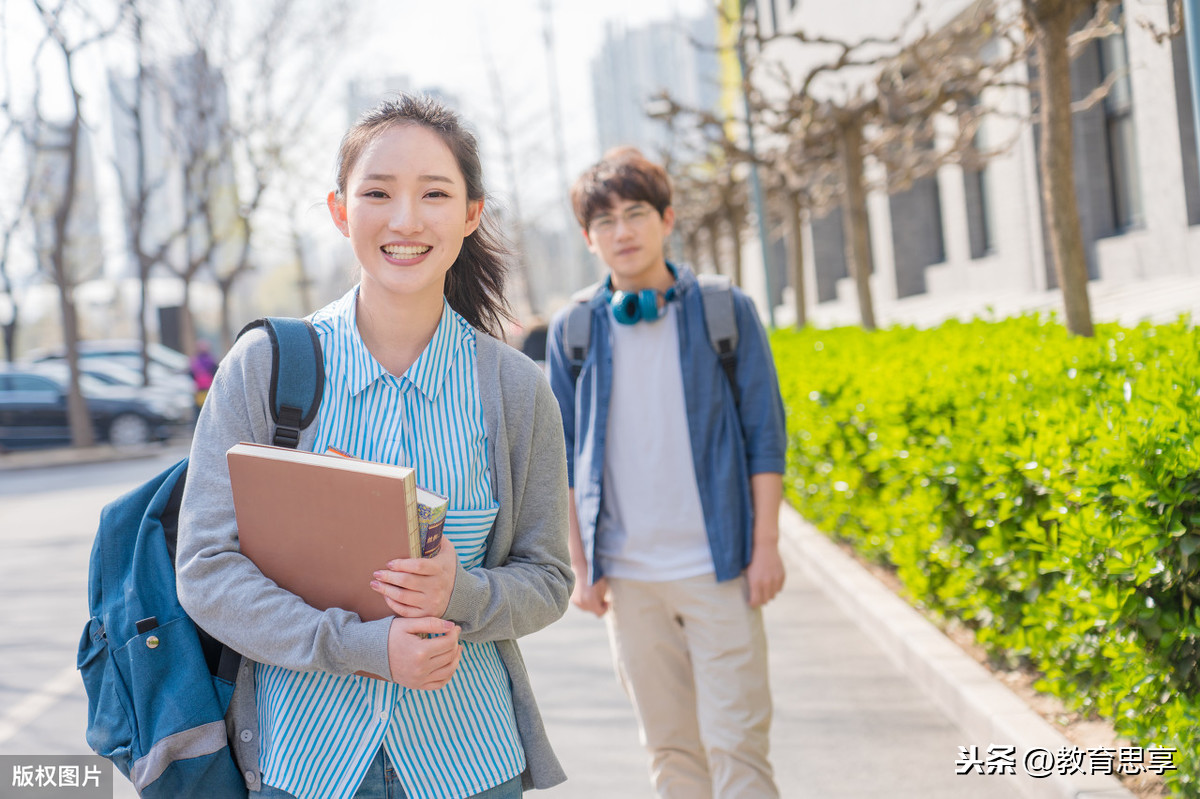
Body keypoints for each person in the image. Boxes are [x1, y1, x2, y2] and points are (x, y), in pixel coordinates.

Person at [176, 94, 573, 799]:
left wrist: (463, 592)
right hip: (306, 764)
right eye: (378, 193)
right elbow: (207, 567)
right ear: (340, 211)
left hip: (470, 763)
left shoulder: (515, 389)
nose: (406, 219)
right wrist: (360, 648)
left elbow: (547, 577)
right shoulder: (264, 368)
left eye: (435, 193)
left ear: (471, 214)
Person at [545, 147, 788, 798]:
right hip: (629, 580)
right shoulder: (574, 329)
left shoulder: (723, 311)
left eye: (635, 213)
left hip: (721, 568)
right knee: (672, 754)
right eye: (604, 221)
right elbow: (564, 455)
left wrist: (766, 546)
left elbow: (766, 434)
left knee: (739, 748)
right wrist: (581, 562)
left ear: (667, 218)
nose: (622, 231)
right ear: (589, 239)